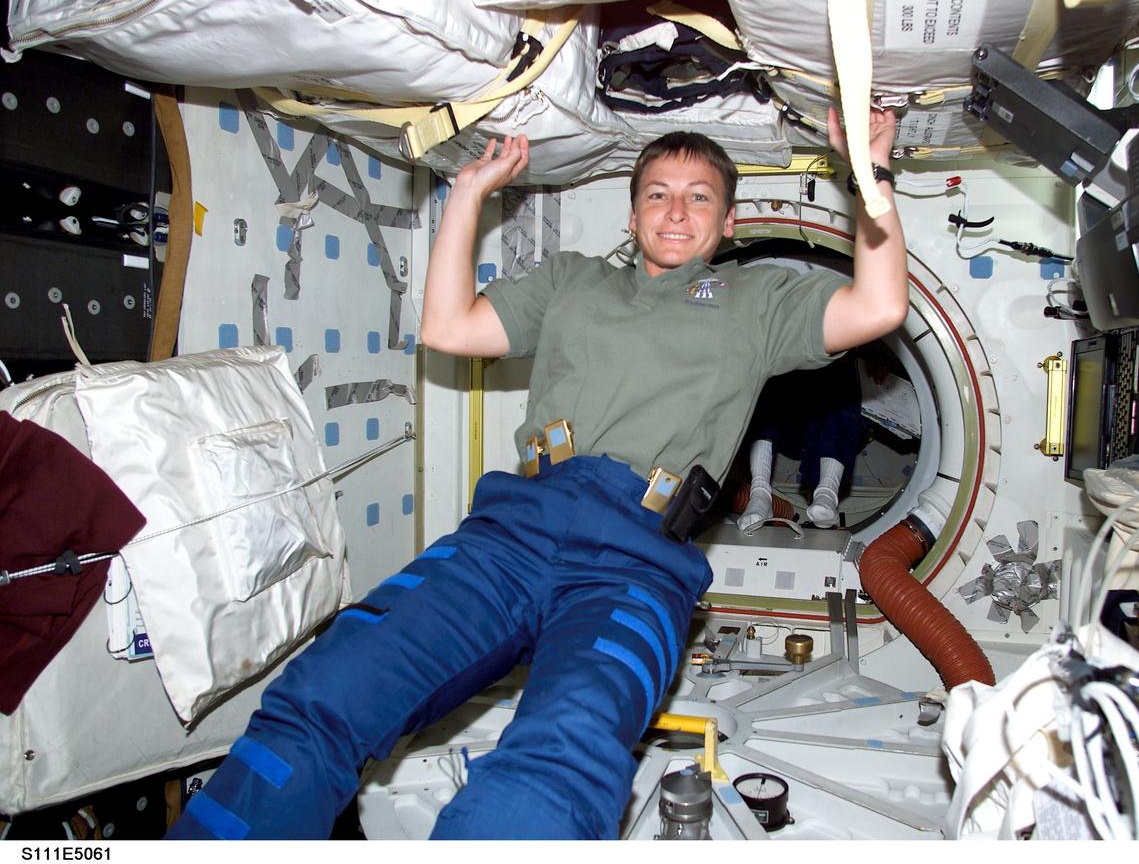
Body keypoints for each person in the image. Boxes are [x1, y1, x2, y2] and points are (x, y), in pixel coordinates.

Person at [166, 105, 905, 840]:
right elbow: (448, 327)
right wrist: (467, 193)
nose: (676, 211)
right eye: (657, 194)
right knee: (330, 688)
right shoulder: (570, 278)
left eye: (699, 197)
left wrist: (871, 176)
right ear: (632, 217)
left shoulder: (758, 300)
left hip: (639, 560)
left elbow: (878, 304)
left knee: (563, 754)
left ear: (729, 221)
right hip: (511, 532)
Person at [737, 349, 871, 531]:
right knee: (766, 382)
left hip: (837, 421)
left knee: (842, 383)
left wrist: (879, 363)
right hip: (791, 420)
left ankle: (827, 494)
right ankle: (760, 494)